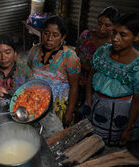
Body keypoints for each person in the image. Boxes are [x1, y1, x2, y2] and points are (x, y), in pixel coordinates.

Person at [85, 12, 139, 146]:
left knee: (109, 149)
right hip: (95, 105)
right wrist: (88, 100)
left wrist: (128, 128)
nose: (115, 38)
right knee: (89, 143)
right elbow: (91, 75)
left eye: (123, 35)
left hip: (120, 114)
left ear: (136, 37)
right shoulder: (102, 52)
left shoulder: (137, 66)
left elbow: (137, 102)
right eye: (114, 32)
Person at [27, 16, 81, 127]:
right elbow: (27, 78)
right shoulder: (34, 51)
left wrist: (69, 112)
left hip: (57, 108)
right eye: (46, 33)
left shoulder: (69, 57)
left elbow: (74, 87)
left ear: (63, 37)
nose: (49, 38)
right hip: (36, 105)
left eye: (55, 35)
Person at [0, 34, 33, 110]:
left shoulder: (24, 70)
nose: (3, 57)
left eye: (7, 52)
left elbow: (33, 91)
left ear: (15, 53)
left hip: (22, 112)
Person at [76, 6, 120, 86]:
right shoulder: (85, 35)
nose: (101, 28)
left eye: (107, 25)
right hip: (75, 76)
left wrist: (89, 82)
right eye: (100, 23)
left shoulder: (114, 46)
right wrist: (78, 76)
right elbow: (74, 58)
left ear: (115, 27)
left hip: (97, 85)